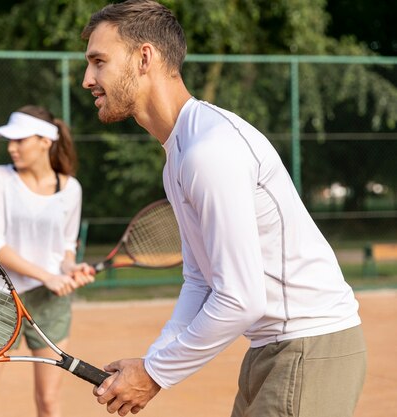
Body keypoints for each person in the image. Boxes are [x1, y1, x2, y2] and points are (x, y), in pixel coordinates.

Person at [80, 1, 366, 416]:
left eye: (98, 61)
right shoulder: (180, 153)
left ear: (145, 57)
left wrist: (156, 372)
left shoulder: (209, 150)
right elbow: (200, 280)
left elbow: (240, 298)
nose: (88, 79)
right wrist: (152, 360)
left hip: (307, 347)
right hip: (274, 348)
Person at [0, 105, 96, 417]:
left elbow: (65, 248)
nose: (11, 147)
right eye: (9, 140)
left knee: (48, 402)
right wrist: (47, 276)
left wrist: (71, 269)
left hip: (50, 304)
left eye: (20, 140)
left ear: (45, 141)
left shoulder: (71, 189)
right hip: (1, 302)